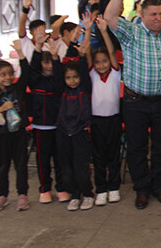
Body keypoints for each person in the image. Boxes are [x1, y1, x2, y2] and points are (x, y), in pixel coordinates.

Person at [105, 0, 161, 210]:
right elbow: (108, 18)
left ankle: (159, 185)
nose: (158, 18)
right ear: (142, 14)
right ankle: (141, 188)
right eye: (153, 14)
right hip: (135, 101)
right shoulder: (132, 32)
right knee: (137, 146)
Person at [0, 40, 30, 212]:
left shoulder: (17, 89)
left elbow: (26, 73)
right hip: (0, 135)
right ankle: (2, 195)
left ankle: (22, 194)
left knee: (21, 165)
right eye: (3, 75)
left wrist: (21, 53)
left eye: (10, 74)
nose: (8, 77)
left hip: (18, 134)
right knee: (2, 166)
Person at [51, 23, 94, 212]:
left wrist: (83, 54)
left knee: (81, 168)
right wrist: (54, 58)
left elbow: (83, 72)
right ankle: (74, 195)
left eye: (75, 77)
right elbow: (57, 76)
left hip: (80, 133)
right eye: (68, 78)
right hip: (63, 133)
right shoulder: (61, 91)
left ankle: (88, 194)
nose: (72, 81)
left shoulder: (84, 89)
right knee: (66, 169)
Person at [27, 34, 68, 204]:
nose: (49, 66)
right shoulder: (35, 82)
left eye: (51, 62)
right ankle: (45, 189)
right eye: (46, 63)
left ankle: (61, 188)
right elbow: (32, 70)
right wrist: (38, 47)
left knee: (60, 159)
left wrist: (55, 57)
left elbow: (59, 76)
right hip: (40, 127)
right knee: (42, 160)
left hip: (58, 127)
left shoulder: (58, 82)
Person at [88, 17, 123, 207]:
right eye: (98, 62)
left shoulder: (116, 72)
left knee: (114, 156)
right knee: (99, 157)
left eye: (104, 62)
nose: (102, 65)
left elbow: (110, 50)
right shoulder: (92, 74)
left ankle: (114, 187)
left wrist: (104, 31)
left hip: (114, 120)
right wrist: (88, 31)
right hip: (96, 121)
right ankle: (100, 189)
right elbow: (87, 54)